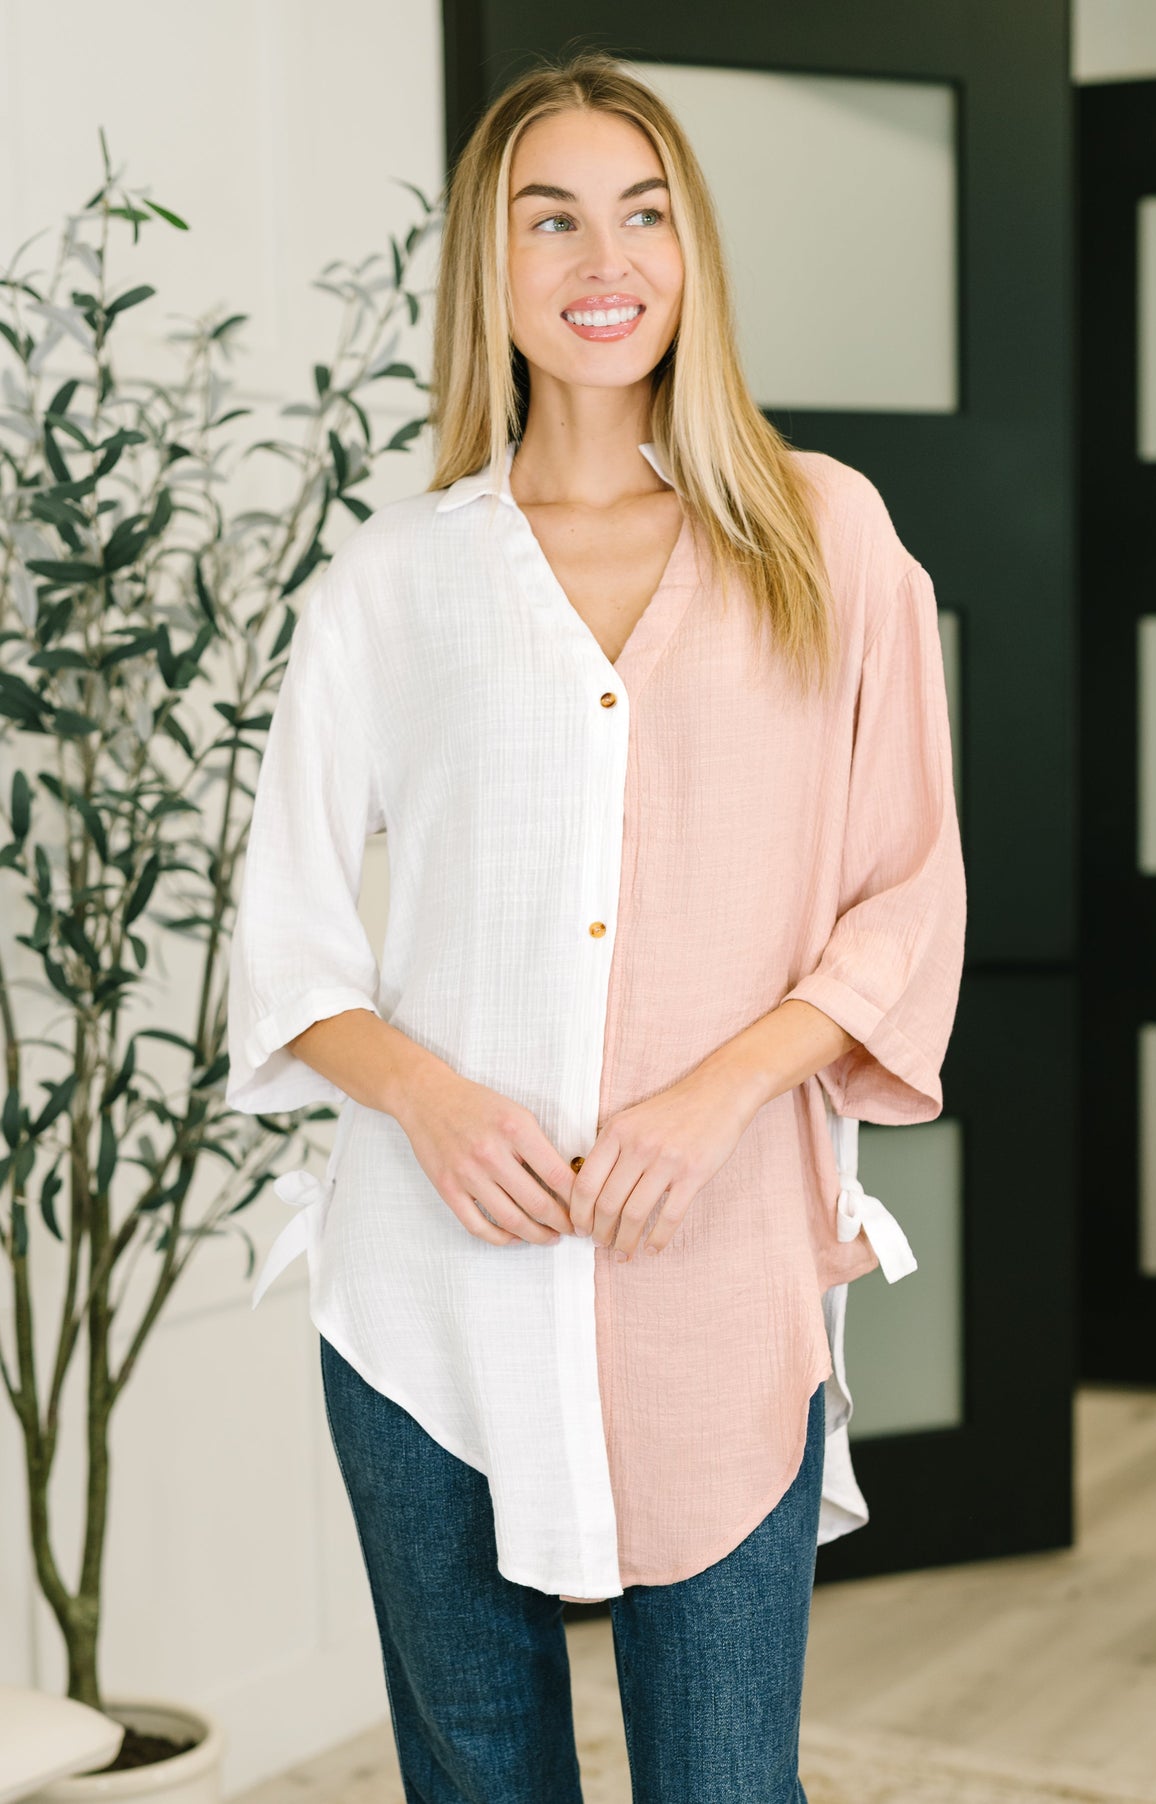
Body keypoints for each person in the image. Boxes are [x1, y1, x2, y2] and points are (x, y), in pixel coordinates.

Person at [223, 47, 967, 1804]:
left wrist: (718, 1099)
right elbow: (291, 947)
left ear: (692, 253)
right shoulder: (396, 583)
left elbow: (908, 890)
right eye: (548, 217)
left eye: (642, 213)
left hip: (717, 1277)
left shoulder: (823, 535)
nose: (601, 257)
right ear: (492, 264)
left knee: (723, 1780)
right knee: (477, 1783)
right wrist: (430, 1097)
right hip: (427, 1293)